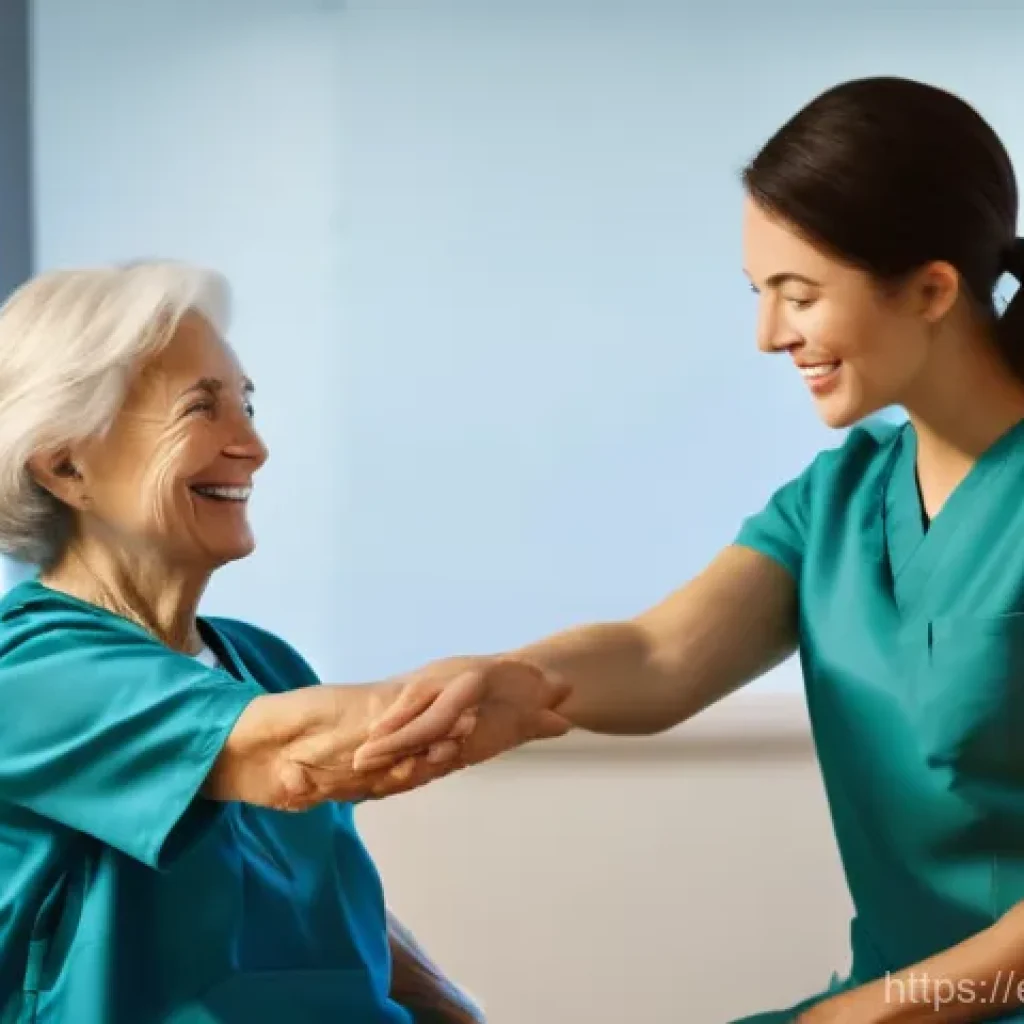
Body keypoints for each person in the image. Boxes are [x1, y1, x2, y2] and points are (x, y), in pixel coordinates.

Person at [354, 76, 1024, 1022]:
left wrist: (877, 1013)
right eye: (759, 294)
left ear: (931, 289)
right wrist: (511, 676)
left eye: (799, 295)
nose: (767, 335)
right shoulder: (843, 495)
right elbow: (662, 656)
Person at [0, 260, 572, 1023]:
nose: (254, 445)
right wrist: (573, 678)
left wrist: (457, 1013)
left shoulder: (265, 664)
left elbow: (331, 901)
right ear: (67, 463)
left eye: (248, 405)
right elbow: (290, 756)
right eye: (202, 409)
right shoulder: (32, 671)